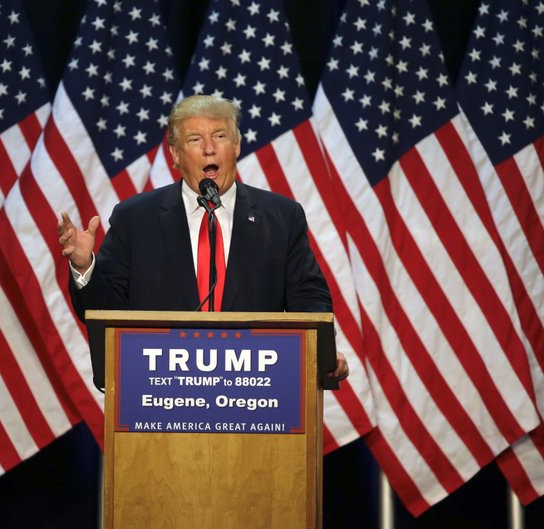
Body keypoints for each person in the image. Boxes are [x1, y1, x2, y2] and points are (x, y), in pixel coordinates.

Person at [58, 94, 348, 381]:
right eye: (195, 139)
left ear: (236, 145)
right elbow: (105, 314)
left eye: (220, 136)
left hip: (254, 394)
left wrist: (321, 350)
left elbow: (309, 299)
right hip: (161, 396)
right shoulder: (135, 219)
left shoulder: (282, 217)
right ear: (175, 154)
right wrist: (85, 268)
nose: (209, 149)